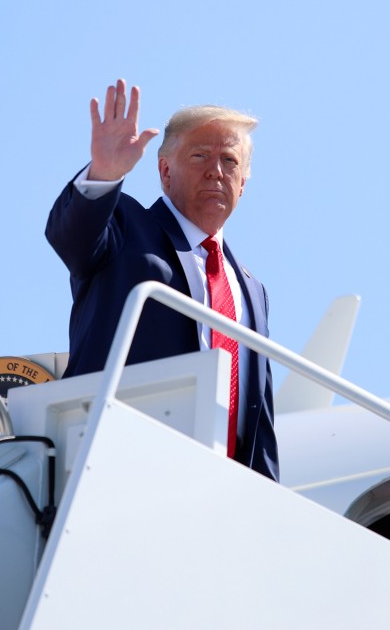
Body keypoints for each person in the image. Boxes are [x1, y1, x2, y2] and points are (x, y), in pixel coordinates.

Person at [45, 79, 278, 481]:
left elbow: (258, 418)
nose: (216, 171)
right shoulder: (124, 225)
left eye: (230, 161)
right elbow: (70, 236)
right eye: (200, 155)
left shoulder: (252, 291)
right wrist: (104, 173)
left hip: (219, 491)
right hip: (118, 462)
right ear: (165, 170)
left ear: (244, 182)